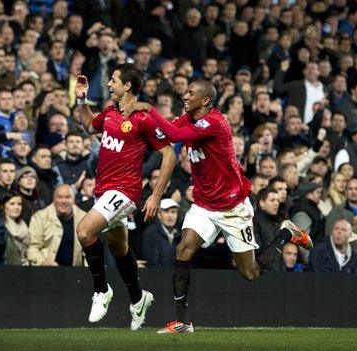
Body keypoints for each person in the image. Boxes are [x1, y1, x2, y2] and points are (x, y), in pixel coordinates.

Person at [126, 79, 313, 334]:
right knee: (183, 248)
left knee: (250, 272)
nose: (185, 96)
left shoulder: (216, 122)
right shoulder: (188, 118)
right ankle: (183, 321)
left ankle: (286, 233)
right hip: (204, 203)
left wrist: (149, 108)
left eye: (191, 93)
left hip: (231, 206)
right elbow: (163, 133)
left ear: (205, 100)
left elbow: (175, 135)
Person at [74, 63, 176, 330]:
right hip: (104, 192)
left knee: (85, 232)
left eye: (114, 80)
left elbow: (169, 154)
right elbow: (87, 125)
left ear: (128, 85)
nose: (109, 85)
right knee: (119, 248)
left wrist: (155, 195)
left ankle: (101, 290)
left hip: (124, 191)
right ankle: (138, 298)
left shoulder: (144, 119)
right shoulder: (109, 112)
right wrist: (81, 99)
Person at [27, 184, 86, 266]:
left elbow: (88, 251)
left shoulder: (84, 218)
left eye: (68, 197)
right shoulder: (40, 217)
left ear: (74, 200)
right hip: (46, 272)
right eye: (60, 197)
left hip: (74, 274)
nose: (64, 201)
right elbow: (32, 247)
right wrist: (42, 262)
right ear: (54, 199)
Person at [141, 198, 180, 268]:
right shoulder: (150, 233)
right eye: (166, 212)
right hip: (157, 277)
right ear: (159, 214)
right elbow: (151, 262)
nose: (170, 216)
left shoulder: (179, 235)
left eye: (173, 212)